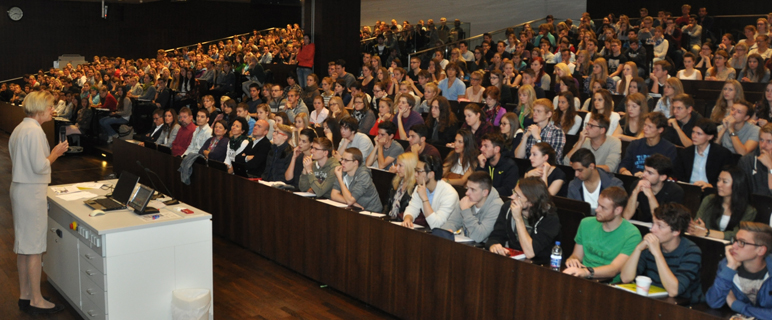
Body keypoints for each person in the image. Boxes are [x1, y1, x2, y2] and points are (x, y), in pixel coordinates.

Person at [9, 91, 69, 314]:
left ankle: (25, 294)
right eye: (50, 106)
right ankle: (36, 300)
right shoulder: (34, 131)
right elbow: (40, 166)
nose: (53, 110)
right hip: (31, 192)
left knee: (24, 247)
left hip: (20, 189)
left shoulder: (20, 128)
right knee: (33, 248)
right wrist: (55, 153)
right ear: (39, 108)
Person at [620, 203, 705, 304]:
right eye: (653, 224)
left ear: (676, 231)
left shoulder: (692, 252)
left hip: (684, 307)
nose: (652, 229)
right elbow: (625, 278)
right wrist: (638, 249)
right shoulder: (649, 246)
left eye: (660, 226)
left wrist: (657, 254)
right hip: (657, 301)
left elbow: (674, 291)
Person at [563, 187, 642, 283]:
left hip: (610, 285)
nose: (597, 210)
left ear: (618, 210)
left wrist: (586, 272)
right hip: (583, 278)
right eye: (598, 204)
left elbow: (614, 269)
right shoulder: (586, 223)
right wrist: (573, 260)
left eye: (603, 207)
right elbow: (577, 255)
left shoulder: (632, 234)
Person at [486, 176, 561, 264]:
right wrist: (494, 245)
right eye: (514, 192)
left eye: (518, 196)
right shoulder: (508, 207)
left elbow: (530, 253)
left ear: (531, 202)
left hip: (542, 265)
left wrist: (518, 218)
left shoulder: (549, 218)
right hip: (515, 259)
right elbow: (495, 236)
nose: (512, 197)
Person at [705, 222, 772, 318]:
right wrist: (731, 267)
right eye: (735, 240)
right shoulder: (727, 265)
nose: (734, 246)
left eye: (742, 242)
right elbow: (713, 302)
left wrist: (737, 305)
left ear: (760, 250)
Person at [689, 166, 757, 241]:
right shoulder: (709, 200)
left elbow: (737, 234)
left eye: (724, 182)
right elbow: (697, 222)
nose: (718, 184)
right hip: (706, 242)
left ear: (737, 185)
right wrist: (696, 227)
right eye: (718, 180)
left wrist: (707, 232)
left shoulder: (749, 211)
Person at [441, 171, 504, 244]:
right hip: (468, 246)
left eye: (473, 189)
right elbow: (452, 222)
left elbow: (478, 237)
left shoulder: (496, 206)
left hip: (485, 250)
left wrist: (466, 210)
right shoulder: (468, 199)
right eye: (467, 188)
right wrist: (446, 231)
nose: (467, 193)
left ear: (485, 193)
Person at [402, 155, 460, 229]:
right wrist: (408, 219)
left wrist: (424, 198)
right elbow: (412, 208)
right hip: (431, 232)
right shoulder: (420, 187)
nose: (415, 175)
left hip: (448, 235)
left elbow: (436, 224)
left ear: (431, 174)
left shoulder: (449, 194)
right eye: (415, 170)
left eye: (419, 171)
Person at [675, 118, 734, 189]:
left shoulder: (722, 154)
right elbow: (679, 176)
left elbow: (727, 177)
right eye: (693, 132)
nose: (694, 136)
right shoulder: (685, 153)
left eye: (699, 134)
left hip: (711, 189)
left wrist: (712, 186)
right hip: (689, 189)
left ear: (710, 137)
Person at [623, 154, 684, 222]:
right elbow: (626, 216)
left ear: (662, 177)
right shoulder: (637, 184)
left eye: (650, 173)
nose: (644, 174)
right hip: (643, 225)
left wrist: (650, 195)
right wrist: (635, 192)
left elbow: (661, 222)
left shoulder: (675, 191)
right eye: (645, 170)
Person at [567, 148, 624, 214]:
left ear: (591, 166)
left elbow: (621, 214)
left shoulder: (615, 185)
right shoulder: (573, 185)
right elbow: (571, 213)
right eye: (574, 170)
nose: (576, 174)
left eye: (580, 170)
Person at [619, 112, 678, 176]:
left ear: (660, 130)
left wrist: (647, 176)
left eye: (650, 127)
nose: (645, 129)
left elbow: (669, 173)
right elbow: (624, 164)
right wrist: (624, 171)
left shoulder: (669, 149)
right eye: (645, 125)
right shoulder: (635, 144)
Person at [477, 133, 519, 197]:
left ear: (496, 149)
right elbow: (476, 184)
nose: (481, 149)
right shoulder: (483, 162)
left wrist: (486, 192)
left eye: (486, 146)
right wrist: (481, 167)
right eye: (482, 146)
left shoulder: (510, 166)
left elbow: (507, 190)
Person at [383, 152, 417, 219]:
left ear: (409, 167)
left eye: (400, 165)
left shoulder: (416, 186)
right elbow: (387, 204)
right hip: (390, 220)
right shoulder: (396, 181)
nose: (397, 169)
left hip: (403, 222)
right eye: (397, 165)